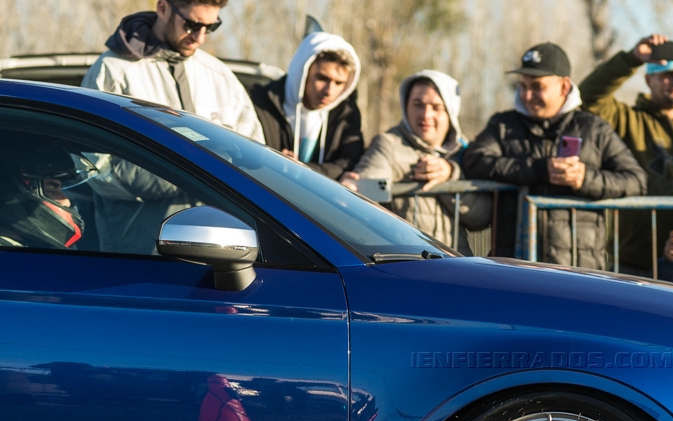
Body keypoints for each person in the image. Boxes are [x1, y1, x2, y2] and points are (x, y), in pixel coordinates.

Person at [463, 43, 645, 269]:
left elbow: (636, 180)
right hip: (513, 268)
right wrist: (538, 169)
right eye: (523, 86)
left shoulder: (594, 129)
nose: (527, 95)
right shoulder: (503, 125)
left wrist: (585, 178)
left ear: (564, 87)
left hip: (579, 271)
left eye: (537, 86)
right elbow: (474, 160)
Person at [577, 34, 673, 276]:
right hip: (634, 264)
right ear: (649, 79)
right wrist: (632, 58)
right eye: (667, 75)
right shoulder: (628, 120)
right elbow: (588, 97)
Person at [346, 70, 491, 253]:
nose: (425, 115)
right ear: (406, 106)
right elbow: (363, 190)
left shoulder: (465, 152)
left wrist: (451, 176)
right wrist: (353, 188)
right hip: (409, 263)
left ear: (450, 111)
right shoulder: (389, 145)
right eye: (418, 104)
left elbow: (481, 219)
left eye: (436, 107)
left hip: (457, 263)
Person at [83, 0, 262, 142]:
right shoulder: (113, 71)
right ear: (163, 9)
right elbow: (93, 157)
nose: (199, 38)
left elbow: (255, 155)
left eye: (210, 27)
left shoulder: (221, 77)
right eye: (192, 25)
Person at [250, 32, 363, 180]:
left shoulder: (346, 113)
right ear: (303, 72)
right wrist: (273, 162)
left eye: (339, 83)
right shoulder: (260, 103)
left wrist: (299, 170)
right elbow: (245, 155)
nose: (329, 91)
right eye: (322, 78)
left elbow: (348, 162)